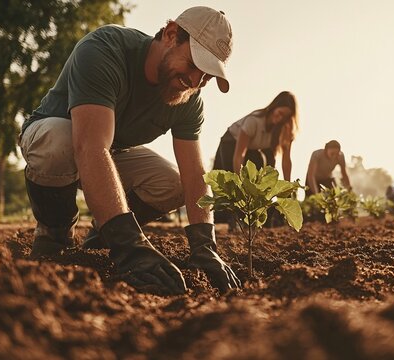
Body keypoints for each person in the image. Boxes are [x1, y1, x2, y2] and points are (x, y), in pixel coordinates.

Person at [19, 6, 240, 294]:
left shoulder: (189, 98)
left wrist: (205, 245)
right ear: (171, 35)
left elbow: (194, 175)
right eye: (194, 64)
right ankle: (55, 231)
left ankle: (102, 238)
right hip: (58, 135)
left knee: (172, 184)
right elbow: (89, 146)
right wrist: (131, 245)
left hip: (108, 151)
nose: (196, 81)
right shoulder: (104, 50)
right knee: (61, 141)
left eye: (207, 76)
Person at [212, 91, 298, 226]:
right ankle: (233, 220)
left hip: (255, 149)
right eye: (280, 113)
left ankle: (264, 218)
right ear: (274, 107)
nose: (280, 118)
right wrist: (239, 183)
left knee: (266, 178)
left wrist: (287, 188)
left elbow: (286, 160)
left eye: (285, 117)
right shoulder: (254, 121)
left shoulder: (285, 131)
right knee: (230, 182)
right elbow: (239, 154)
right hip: (231, 143)